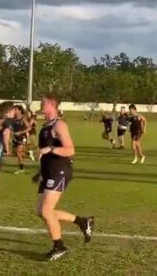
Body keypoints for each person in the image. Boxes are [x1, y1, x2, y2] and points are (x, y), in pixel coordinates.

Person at [33, 94, 94, 261]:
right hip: (48, 172)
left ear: (52, 106)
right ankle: (82, 221)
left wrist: (50, 149)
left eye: (43, 103)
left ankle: (59, 246)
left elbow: (70, 150)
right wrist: (40, 172)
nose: (40, 104)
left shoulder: (59, 125)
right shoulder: (45, 126)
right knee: (42, 211)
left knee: (46, 211)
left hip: (59, 170)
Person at [11, 105, 31, 174]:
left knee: (18, 153)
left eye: (15, 109)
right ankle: (28, 153)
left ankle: (21, 169)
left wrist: (20, 132)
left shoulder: (23, 118)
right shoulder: (13, 118)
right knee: (15, 152)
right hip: (15, 137)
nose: (14, 110)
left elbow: (29, 128)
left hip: (22, 137)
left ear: (19, 110)